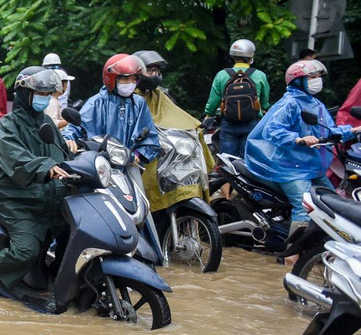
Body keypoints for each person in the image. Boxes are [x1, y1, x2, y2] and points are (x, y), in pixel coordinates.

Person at [0, 68, 73, 291]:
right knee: (25, 250)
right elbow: (16, 157)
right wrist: (46, 166)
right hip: (18, 200)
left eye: (47, 94)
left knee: (71, 233)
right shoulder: (10, 124)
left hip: (48, 197)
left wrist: (77, 152)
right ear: (24, 94)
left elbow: (61, 153)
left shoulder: (47, 123)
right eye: (39, 93)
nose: (44, 98)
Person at [245, 59, 356, 231]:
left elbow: (329, 131)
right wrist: (298, 139)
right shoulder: (289, 103)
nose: (317, 79)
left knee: (335, 204)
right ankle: (293, 255)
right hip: (290, 168)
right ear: (298, 80)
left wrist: (354, 130)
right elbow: (273, 129)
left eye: (319, 76)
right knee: (304, 207)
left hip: (311, 166)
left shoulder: (316, 104)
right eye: (312, 76)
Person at [133, 49, 215, 214]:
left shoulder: (160, 94)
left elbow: (176, 116)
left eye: (157, 70)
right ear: (138, 71)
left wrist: (196, 125)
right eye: (150, 70)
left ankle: (187, 191)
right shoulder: (130, 96)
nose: (155, 74)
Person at [69, 54, 159, 165]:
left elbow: (150, 137)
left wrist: (137, 154)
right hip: (98, 164)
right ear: (111, 79)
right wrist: (69, 141)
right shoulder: (96, 103)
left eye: (134, 78)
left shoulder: (139, 103)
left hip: (129, 165)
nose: (130, 83)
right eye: (125, 78)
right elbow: (74, 130)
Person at [204, 39, 271, 158]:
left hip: (229, 122)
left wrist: (208, 114)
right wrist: (265, 108)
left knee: (227, 160)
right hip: (252, 122)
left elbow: (213, 101)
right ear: (250, 56)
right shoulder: (260, 75)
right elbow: (265, 101)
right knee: (248, 159)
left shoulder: (221, 75)